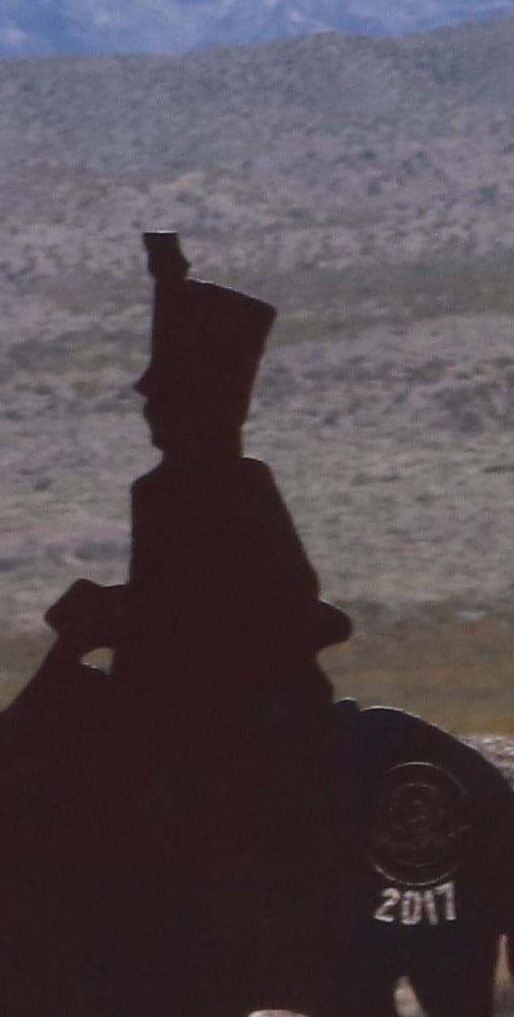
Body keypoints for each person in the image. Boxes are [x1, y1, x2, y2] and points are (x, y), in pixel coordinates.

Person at [38, 231, 355, 727]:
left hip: (242, 700)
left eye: (167, 402)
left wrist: (137, 617)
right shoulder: (161, 493)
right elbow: (165, 596)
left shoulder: (235, 489)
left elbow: (271, 598)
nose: (152, 412)